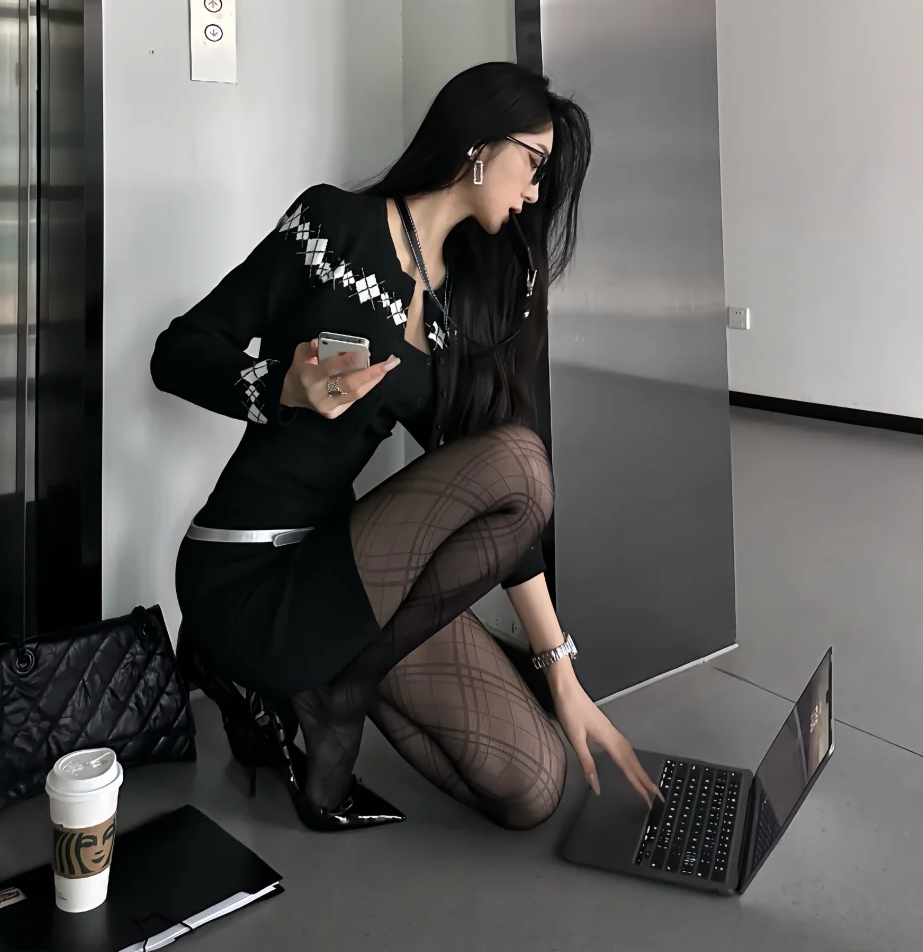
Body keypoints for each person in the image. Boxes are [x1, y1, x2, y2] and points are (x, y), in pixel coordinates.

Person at [153, 61, 661, 832]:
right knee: (522, 459)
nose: (534, 193)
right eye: (534, 164)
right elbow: (178, 352)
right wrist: (281, 386)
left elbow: (502, 501)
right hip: (246, 569)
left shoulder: (456, 303)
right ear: (481, 147)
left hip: (342, 575)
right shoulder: (331, 225)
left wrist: (564, 677)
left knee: (533, 785)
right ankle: (323, 691)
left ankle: (334, 684)